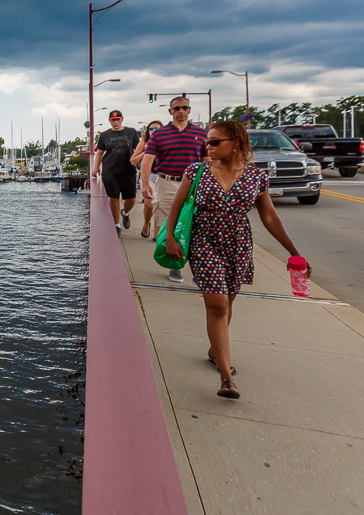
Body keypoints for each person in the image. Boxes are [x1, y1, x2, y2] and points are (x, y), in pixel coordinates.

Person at [163, 120, 308, 400]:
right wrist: (170, 238)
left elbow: (269, 217)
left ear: (236, 143)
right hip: (204, 242)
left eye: (215, 142)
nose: (208, 146)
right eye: (207, 141)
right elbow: (176, 206)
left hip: (239, 245)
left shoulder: (256, 177)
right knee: (216, 304)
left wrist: (293, 251)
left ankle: (214, 350)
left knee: (227, 301)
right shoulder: (197, 171)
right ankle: (226, 377)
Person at [140, 96, 207, 282]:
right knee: (168, 223)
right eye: (177, 108)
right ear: (170, 111)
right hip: (168, 182)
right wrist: (146, 184)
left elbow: (207, 162)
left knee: (195, 225)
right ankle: (173, 265)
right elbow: (147, 160)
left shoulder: (201, 134)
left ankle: (196, 268)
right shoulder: (159, 134)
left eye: (184, 108)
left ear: (189, 110)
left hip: (195, 185)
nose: (181, 111)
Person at [91, 110, 141, 236]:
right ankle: (116, 225)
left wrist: (140, 160)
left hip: (128, 169)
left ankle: (125, 213)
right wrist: (96, 167)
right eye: (113, 120)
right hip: (110, 170)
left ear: (122, 119)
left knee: (131, 198)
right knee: (113, 197)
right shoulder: (104, 135)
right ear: (109, 121)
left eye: (118, 119)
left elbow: (139, 149)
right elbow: (100, 153)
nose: (116, 122)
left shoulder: (131, 132)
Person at [129, 120, 163, 238]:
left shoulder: (166, 142)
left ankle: (157, 233)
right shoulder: (144, 143)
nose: (154, 131)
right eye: (151, 129)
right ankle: (146, 224)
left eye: (157, 129)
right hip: (149, 176)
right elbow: (133, 161)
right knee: (149, 204)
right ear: (148, 131)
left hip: (163, 176)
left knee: (160, 205)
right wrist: (147, 151)